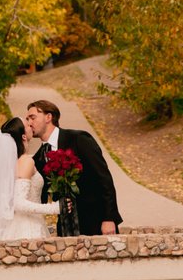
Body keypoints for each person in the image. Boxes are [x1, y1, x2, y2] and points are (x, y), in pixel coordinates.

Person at [26, 99, 123, 235]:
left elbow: (104, 179)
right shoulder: (38, 158)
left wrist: (109, 218)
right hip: (65, 227)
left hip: (96, 221)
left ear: (48, 117)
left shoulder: (79, 139)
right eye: (27, 119)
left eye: (32, 117)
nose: (29, 123)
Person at [0, 117, 60, 241]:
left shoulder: (16, 163)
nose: (31, 124)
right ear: (24, 137)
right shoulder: (26, 161)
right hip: (27, 229)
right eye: (27, 125)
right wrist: (54, 208)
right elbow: (18, 203)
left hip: (27, 224)